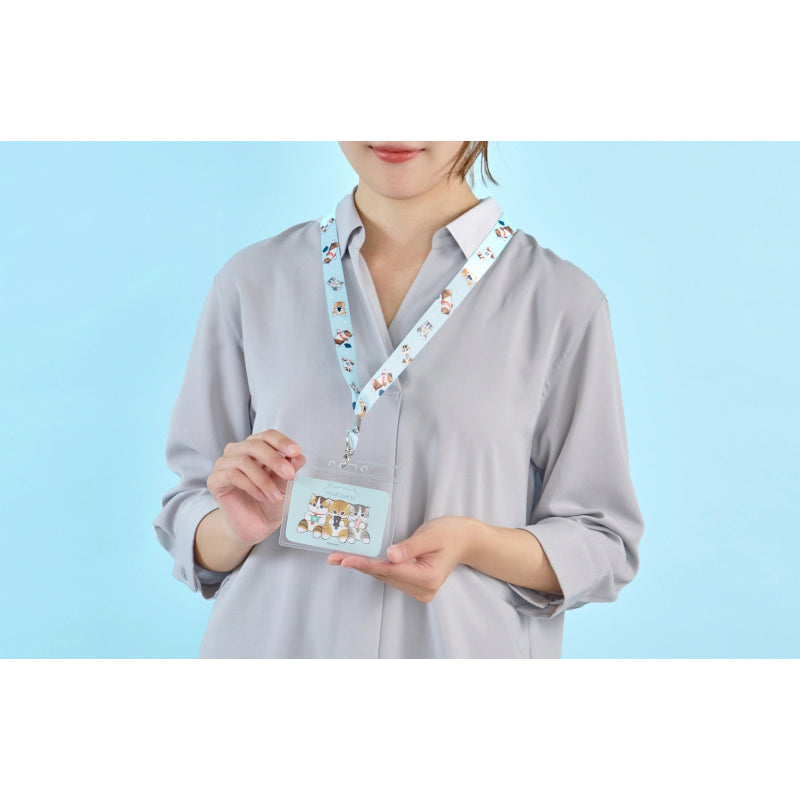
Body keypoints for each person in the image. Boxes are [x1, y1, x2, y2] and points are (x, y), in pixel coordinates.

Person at [153, 141, 644, 658]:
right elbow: (190, 504)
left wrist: (477, 544)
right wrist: (234, 528)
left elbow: (601, 539)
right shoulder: (252, 281)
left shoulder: (562, 303)